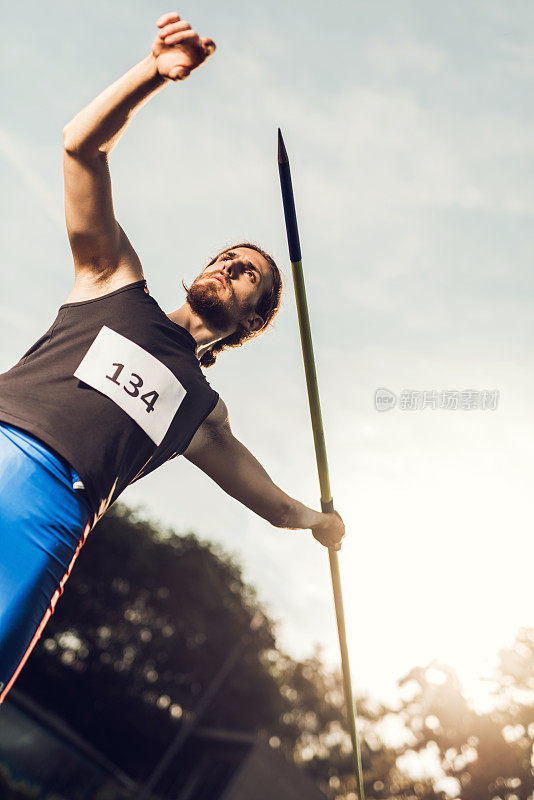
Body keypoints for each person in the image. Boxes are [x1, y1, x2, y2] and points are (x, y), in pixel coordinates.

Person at [0, 12, 345, 704]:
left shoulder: (201, 412)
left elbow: (276, 507)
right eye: (224, 257)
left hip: (53, 516)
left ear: (253, 319)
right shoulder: (114, 283)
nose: (227, 266)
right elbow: (79, 149)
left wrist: (320, 521)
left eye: (246, 272)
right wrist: (152, 74)